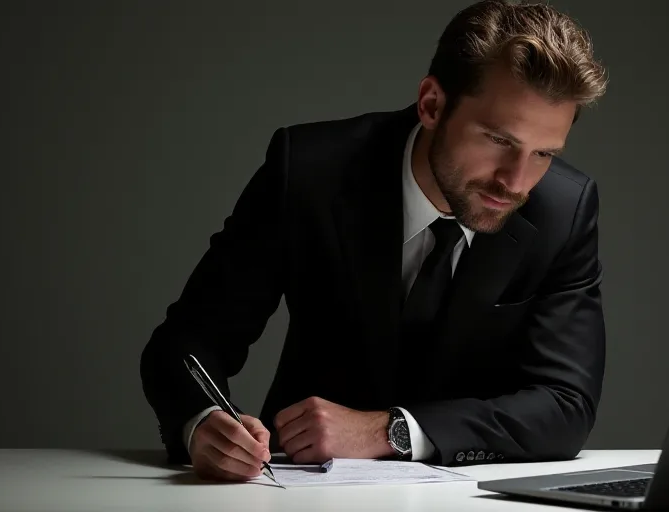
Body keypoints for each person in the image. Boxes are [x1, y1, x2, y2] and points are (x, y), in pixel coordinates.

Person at [140, 0, 608, 482]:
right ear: (431, 105)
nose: (515, 181)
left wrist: (392, 431)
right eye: (498, 140)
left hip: (471, 498)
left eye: (544, 153)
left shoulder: (563, 210)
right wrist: (202, 425)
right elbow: (186, 342)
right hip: (298, 489)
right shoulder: (307, 173)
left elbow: (566, 405)